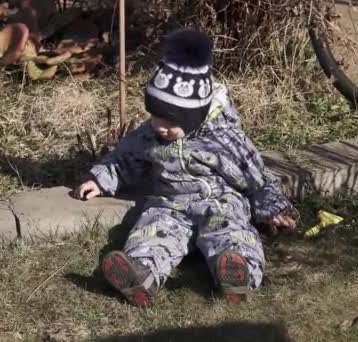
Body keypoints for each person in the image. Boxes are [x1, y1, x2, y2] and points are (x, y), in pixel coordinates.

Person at [73, 29, 296, 308]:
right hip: (170, 205)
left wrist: (272, 208)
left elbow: (254, 172)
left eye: (171, 121)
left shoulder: (222, 138)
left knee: (231, 232)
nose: (162, 127)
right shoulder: (149, 135)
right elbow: (126, 157)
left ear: (195, 116)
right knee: (151, 232)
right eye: (156, 117)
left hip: (219, 201)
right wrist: (102, 178)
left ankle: (239, 274)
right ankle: (141, 274)